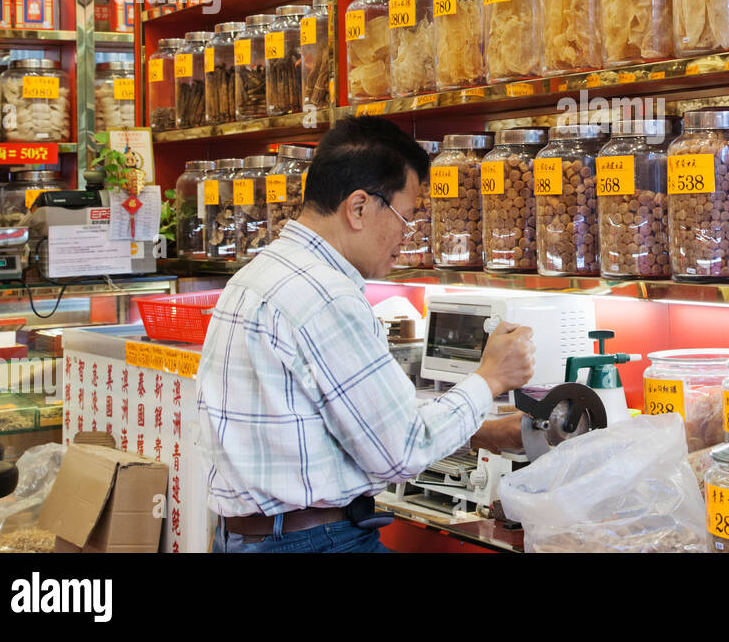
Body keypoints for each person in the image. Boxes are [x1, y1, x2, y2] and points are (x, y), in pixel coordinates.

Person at [196, 117, 536, 553]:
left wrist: (479, 432)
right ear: (358, 208)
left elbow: (343, 424)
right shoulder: (325, 295)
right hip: (313, 542)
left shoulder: (258, 274)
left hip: (252, 537)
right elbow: (400, 451)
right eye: (405, 217)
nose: (406, 236)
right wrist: (489, 378)